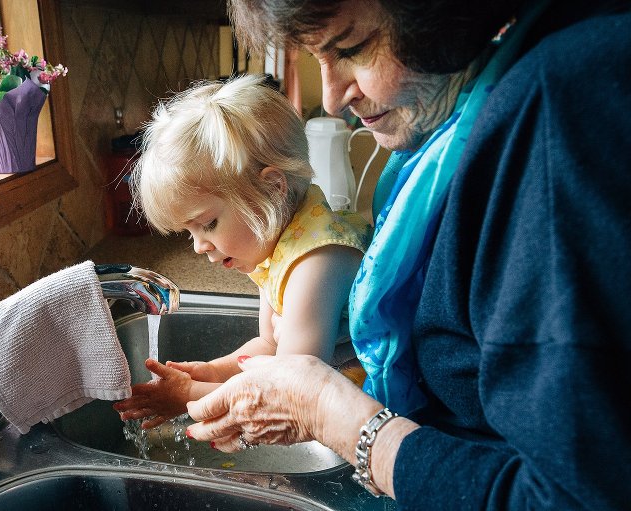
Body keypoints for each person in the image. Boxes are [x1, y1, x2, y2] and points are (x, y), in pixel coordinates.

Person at [184, 0, 631, 509]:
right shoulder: (474, 107)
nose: (331, 98)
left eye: (351, 48)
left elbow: (571, 498)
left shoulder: (560, 111)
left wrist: (336, 416)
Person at [113, 74, 372, 429]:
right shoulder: (280, 246)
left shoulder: (316, 262)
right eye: (189, 231)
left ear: (271, 190)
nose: (198, 245)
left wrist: (189, 395)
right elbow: (269, 344)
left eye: (208, 224)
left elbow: (288, 390)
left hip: (364, 412)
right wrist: (213, 371)